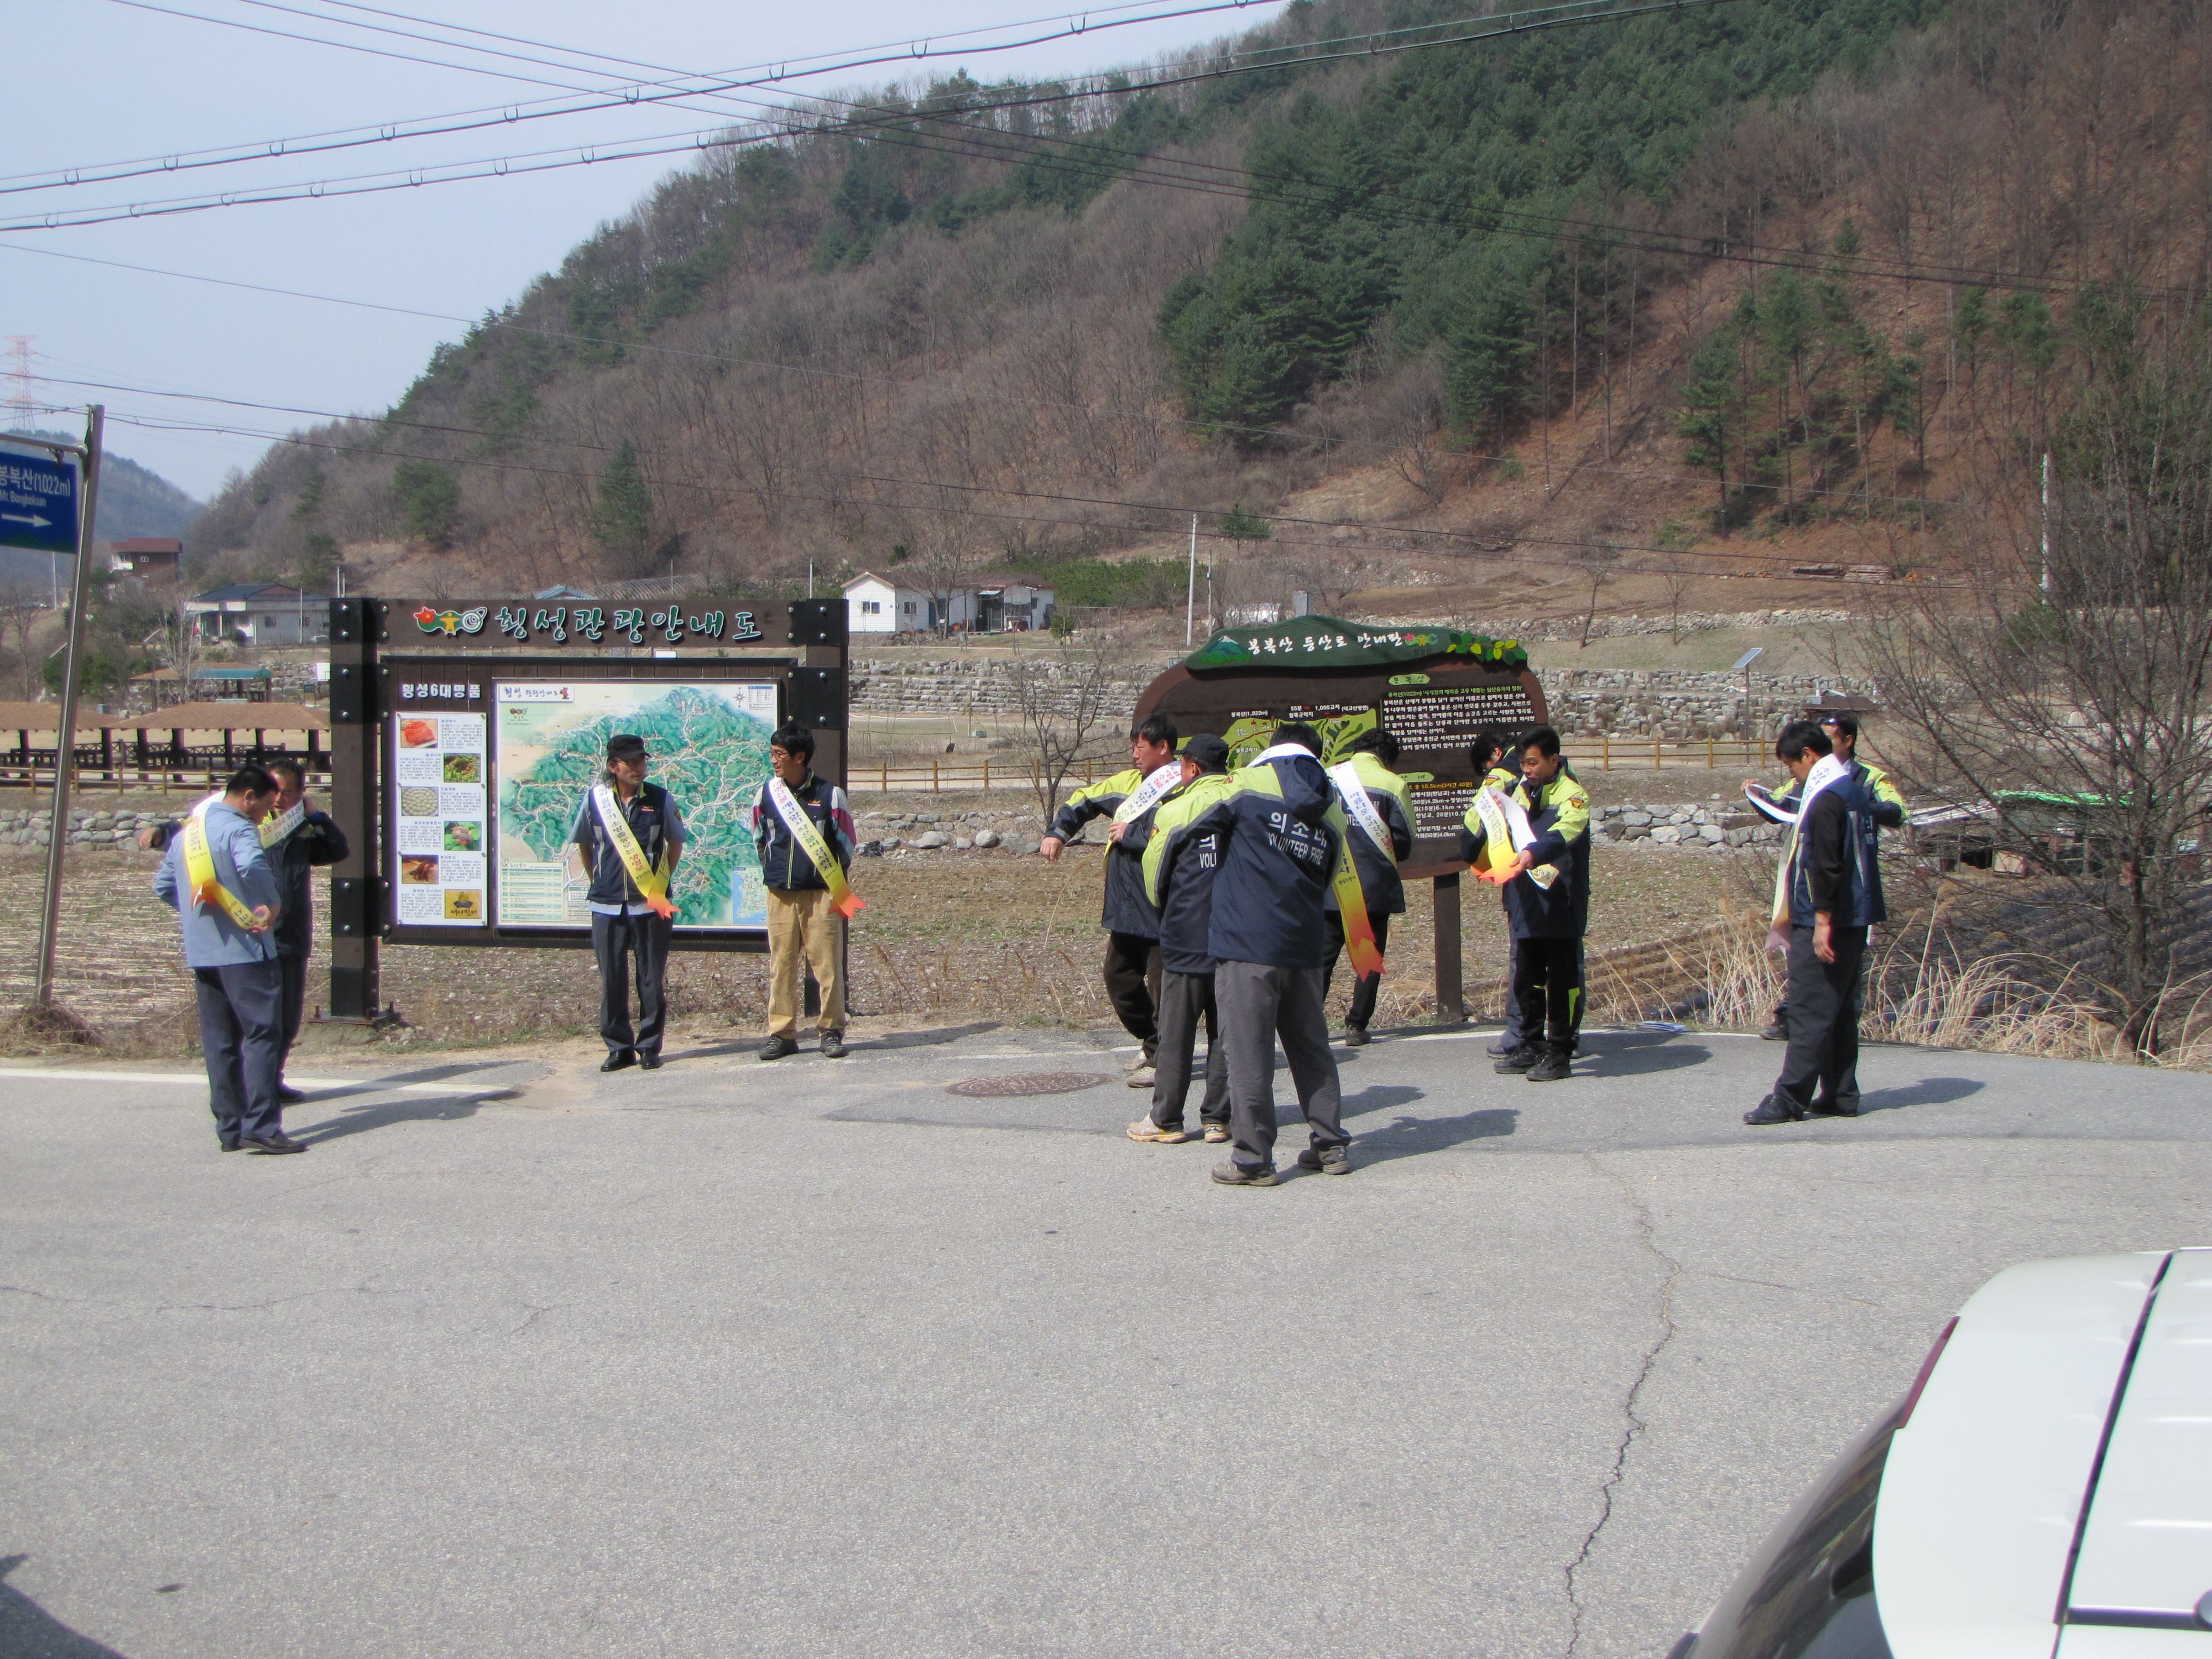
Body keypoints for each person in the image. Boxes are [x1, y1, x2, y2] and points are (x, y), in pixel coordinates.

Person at [1193, 721, 1363, 1186]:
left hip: (1246, 943)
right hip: (1304, 945)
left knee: (1248, 1055)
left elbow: (1187, 823)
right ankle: (1330, 1145)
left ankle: (1253, 1159)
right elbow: (1330, 873)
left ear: (1274, 750)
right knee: (1311, 1050)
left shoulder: (1246, 785)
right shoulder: (1332, 807)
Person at [140, 758, 349, 1104]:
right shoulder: (244, 826)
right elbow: (191, 831)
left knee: (286, 1020)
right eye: (274, 792)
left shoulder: (299, 828)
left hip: (288, 934)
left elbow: (338, 849)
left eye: (288, 793)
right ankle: (253, 1098)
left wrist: (315, 816)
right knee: (250, 1025)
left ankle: (269, 1082)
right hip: (247, 936)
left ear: (302, 794)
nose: (278, 800)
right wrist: (161, 831)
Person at [152, 764, 304, 1154]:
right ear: (249, 797)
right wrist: (271, 902)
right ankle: (262, 1125)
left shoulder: (189, 833)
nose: (266, 816)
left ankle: (229, 1128)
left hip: (204, 952)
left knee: (219, 1040)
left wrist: (201, 919)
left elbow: (164, 886)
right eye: (266, 806)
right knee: (261, 1034)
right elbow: (251, 864)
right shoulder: (239, 829)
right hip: (246, 950)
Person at [1745, 722, 1885, 1124]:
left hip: (1826, 919)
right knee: (1838, 1010)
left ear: (1808, 755)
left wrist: (1822, 922)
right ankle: (1841, 1093)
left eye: (1792, 766)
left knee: (1808, 1009)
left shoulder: (1825, 798)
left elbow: (1825, 866)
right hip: (1855, 916)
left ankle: (1789, 1098)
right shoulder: (1852, 790)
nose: (1793, 776)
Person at [1041, 714, 1181, 1088]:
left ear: (1163, 747)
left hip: (1164, 905)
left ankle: (1165, 1060)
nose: (1134, 754)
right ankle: (1153, 1043)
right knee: (1119, 979)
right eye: (1133, 746)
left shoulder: (1185, 786)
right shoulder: (1127, 785)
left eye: (1140, 747)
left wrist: (1134, 835)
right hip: (1125, 904)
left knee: (1164, 988)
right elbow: (1084, 800)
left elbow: (1182, 838)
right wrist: (1059, 832)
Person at [1754, 712, 1907, 1041]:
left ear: (1848, 741)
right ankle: (1793, 1017)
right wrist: (1756, 796)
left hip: (1851, 882)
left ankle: (1842, 1025)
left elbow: (1899, 811)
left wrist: (1856, 810)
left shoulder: (1869, 778)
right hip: (1810, 880)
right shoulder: (1804, 777)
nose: (1821, 743)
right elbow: (1780, 805)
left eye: (1829, 737)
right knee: (1804, 957)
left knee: (1845, 960)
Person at [1464, 726, 1592, 1083]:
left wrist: (1533, 853)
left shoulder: (1573, 795)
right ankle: (1531, 1044)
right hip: (1525, 898)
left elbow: (1564, 833)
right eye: (1523, 763)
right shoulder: (1519, 791)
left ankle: (1561, 1050)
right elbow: (1495, 833)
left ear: (1554, 759)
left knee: (1563, 979)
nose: (1527, 770)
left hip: (1561, 899)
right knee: (1527, 976)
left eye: (1533, 763)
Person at [1126, 734, 1238, 1146]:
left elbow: (1155, 876)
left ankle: (1167, 1119)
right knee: (1225, 1034)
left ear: (1191, 768)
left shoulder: (1176, 810)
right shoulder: (1245, 803)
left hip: (1187, 935)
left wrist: (1167, 911)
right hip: (1235, 938)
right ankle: (1218, 1119)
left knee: (1176, 1033)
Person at [572, 733, 685, 1072]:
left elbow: (675, 842)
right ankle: (618, 1047)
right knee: (612, 979)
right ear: (613, 766)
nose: (639, 767)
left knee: (650, 979)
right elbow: (585, 843)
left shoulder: (660, 798)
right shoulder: (595, 800)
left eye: (642, 761)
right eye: (631, 762)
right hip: (606, 905)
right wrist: (598, 877)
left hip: (650, 904)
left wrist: (660, 884)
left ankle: (649, 1046)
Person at [750, 722, 857, 1061]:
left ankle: (831, 1030)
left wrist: (828, 879)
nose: (773, 760)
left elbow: (847, 844)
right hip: (780, 894)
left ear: (799, 757)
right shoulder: (766, 794)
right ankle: (782, 1033)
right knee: (781, 964)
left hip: (822, 893)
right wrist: (776, 871)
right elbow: (759, 839)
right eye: (772, 753)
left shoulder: (831, 794)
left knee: (827, 965)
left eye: (779, 754)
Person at [1322, 727, 1414, 1046]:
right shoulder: (1393, 784)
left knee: (1323, 958)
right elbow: (1403, 839)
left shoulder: (1328, 777)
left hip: (1332, 884)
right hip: (1374, 885)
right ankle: (1356, 1026)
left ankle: (1310, 1025)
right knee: (1368, 956)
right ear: (1386, 758)